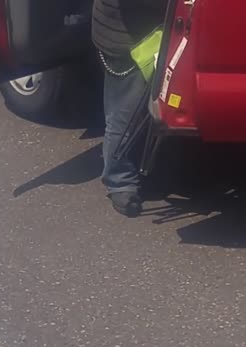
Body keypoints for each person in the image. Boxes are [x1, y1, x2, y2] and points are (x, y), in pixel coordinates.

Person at [92, 0, 167, 217]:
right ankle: (120, 183)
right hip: (127, 40)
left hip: (154, 31)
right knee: (123, 117)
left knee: (154, 108)